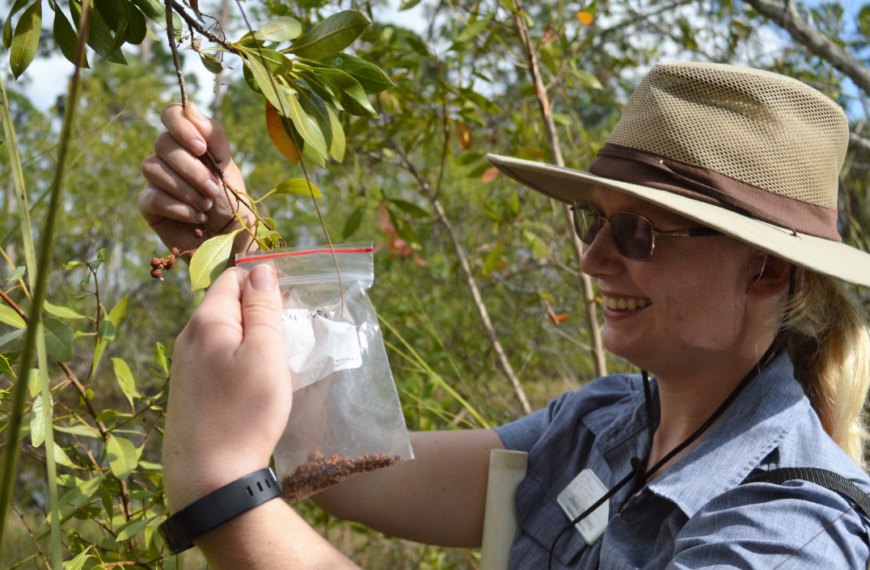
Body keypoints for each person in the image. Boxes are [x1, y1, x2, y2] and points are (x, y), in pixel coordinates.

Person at [143, 61, 870, 569]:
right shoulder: (600, 424)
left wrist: (220, 493)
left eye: (641, 232)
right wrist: (240, 250)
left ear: (768, 270)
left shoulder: (787, 535)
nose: (593, 262)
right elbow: (353, 469)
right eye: (595, 221)